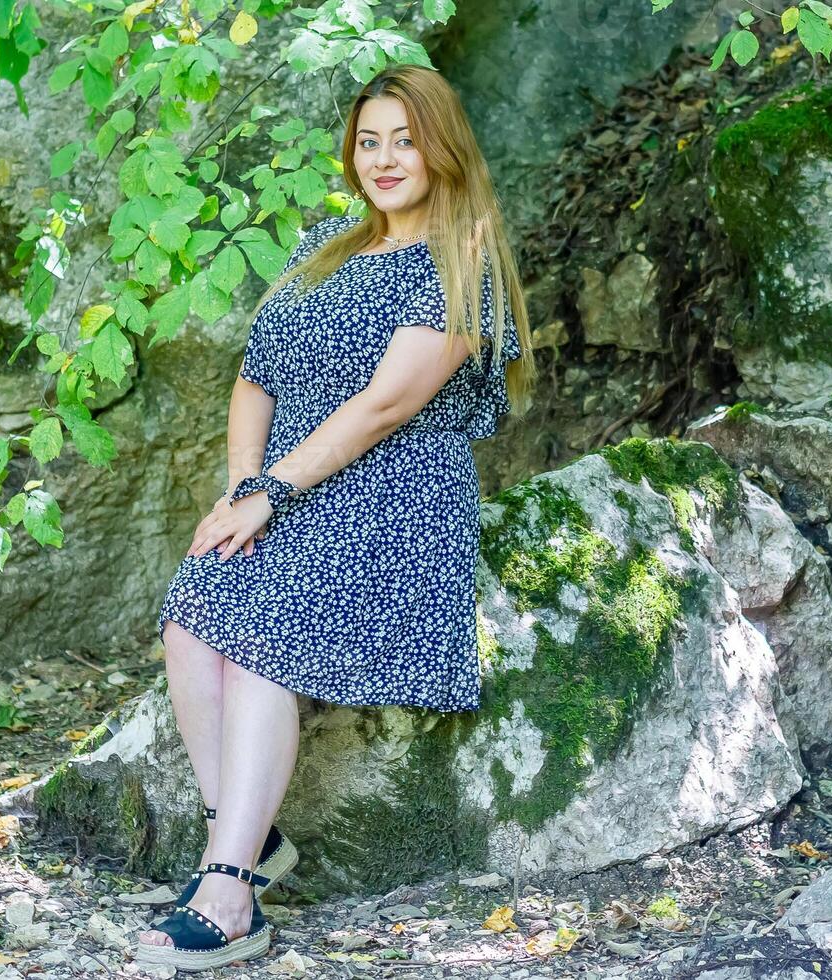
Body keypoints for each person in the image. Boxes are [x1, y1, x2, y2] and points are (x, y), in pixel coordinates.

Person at [132, 63, 536, 971]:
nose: (385, 158)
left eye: (405, 139)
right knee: (192, 613)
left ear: (442, 148)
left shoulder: (462, 260)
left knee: (268, 622)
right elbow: (254, 378)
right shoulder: (323, 247)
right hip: (294, 486)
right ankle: (249, 839)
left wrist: (273, 492)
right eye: (369, 141)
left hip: (393, 500)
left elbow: (386, 406)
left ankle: (231, 888)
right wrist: (245, 485)